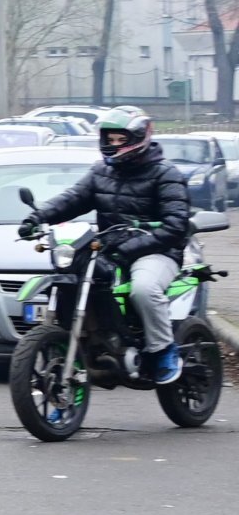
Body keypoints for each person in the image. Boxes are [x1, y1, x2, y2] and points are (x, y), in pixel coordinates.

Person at [17, 106, 191, 384]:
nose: (113, 145)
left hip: (157, 251)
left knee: (143, 289)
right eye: (109, 139)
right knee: (77, 273)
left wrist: (135, 246)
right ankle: (94, 338)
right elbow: (72, 199)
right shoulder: (100, 172)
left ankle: (162, 349)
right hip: (111, 247)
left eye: (120, 139)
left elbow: (176, 226)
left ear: (138, 138)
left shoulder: (165, 174)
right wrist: (37, 217)